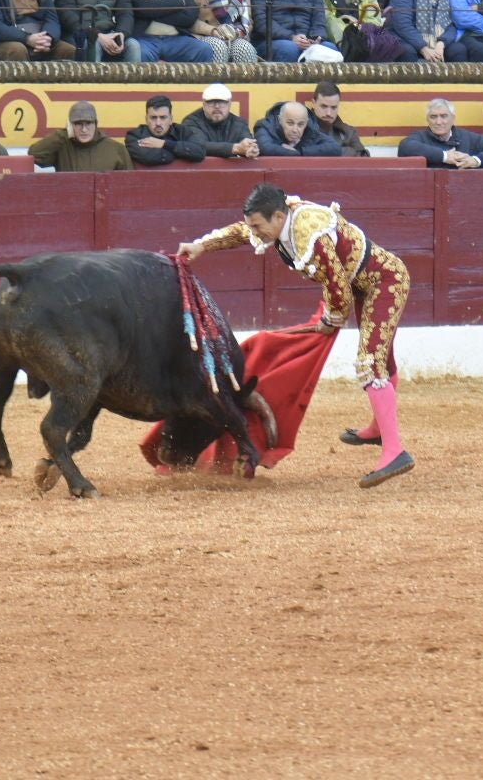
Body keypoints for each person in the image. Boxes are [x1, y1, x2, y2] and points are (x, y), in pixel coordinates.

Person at [177, 182, 415, 487]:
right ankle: (379, 428)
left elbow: (338, 285)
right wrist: (202, 246)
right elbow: (240, 230)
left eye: (258, 226)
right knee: (382, 357)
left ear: (278, 217)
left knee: (370, 361)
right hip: (363, 283)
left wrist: (332, 319)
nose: (254, 231)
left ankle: (395, 451)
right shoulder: (278, 221)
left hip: (385, 282)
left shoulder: (309, 234)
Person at [399, 97, 483, 168]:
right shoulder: (421, 137)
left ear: (453, 118)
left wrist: (476, 160)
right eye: (433, 117)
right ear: (427, 120)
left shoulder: (466, 137)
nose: (438, 122)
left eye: (444, 116)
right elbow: (405, 146)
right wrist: (445, 156)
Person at [28, 101, 134, 172]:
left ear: (96, 124)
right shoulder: (62, 146)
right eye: (78, 124)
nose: (84, 129)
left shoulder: (116, 149)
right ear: (70, 125)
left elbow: (129, 184)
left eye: (88, 123)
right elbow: (34, 156)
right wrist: (64, 134)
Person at [180, 82, 257, 159]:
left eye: (221, 102)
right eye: (211, 102)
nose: (217, 106)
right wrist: (235, 148)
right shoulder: (191, 122)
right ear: (203, 104)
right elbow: (198, 145)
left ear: (229, 104)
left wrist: (251, 149)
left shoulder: (240, 124)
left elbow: (248, 144)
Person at [125, 93, 205, 166]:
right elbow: (148, 157)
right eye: (153, 118)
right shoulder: (135, 136)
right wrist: (178, 153)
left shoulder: (182, 132)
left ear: (171, 119)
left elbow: (199, 152)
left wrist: (164, 144)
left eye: (163, 117)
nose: (158, 123)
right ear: (146, 119)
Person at [253, 100, 340, 158]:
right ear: (280, 120)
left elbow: (335, 148)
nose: (295, 130)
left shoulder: (311, 129)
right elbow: (265, 147)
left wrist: (301, 151)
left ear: (306, 123)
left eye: (300, 124)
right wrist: (290, 151)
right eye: (290, 123)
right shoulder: (265, 126)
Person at [309, 81, 368, 157]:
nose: (328, 113)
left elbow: (363, 158)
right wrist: (347, 151)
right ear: (313, 103)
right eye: (324, 106)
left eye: (333, 107)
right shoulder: (302, 128)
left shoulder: (349, 132)